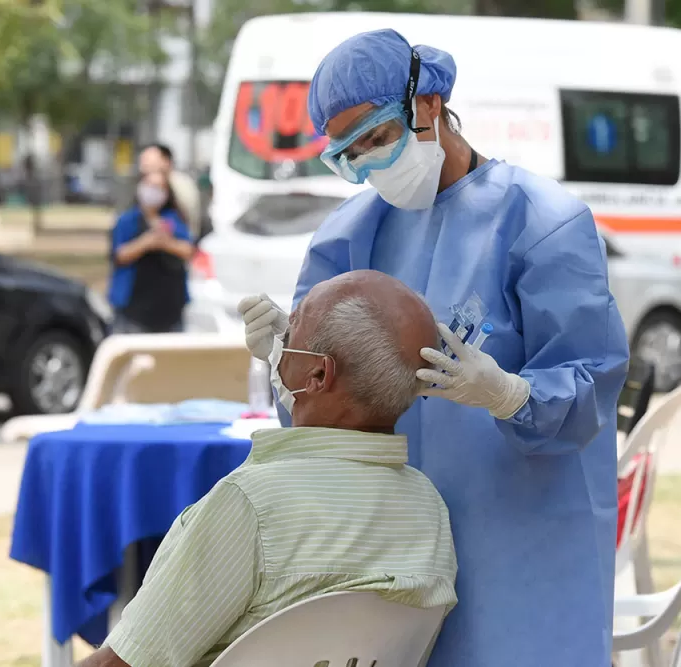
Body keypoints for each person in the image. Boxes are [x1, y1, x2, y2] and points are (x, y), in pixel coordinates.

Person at [239, 30, 630, 666]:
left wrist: (510, 394)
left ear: (429, 104)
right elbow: (318, 416)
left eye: (377, 136)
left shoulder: (541, 222)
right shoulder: (347, 240)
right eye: (349, 155)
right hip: (392, 554)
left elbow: (590, 386)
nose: (369, 163)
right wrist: (287, 363)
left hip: (523, 543)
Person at [81, 270, 458, 667]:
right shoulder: (429, 510)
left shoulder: (252, 506)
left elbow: (121, 664)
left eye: (291, 331)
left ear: (318, 374)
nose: (280, 342)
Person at [107, 170, 196, 334]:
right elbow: (119, 255)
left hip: (170, 310)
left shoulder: (174, 219)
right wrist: (146, 242)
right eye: (150, 186)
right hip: (133, 310)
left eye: (159, 187)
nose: (153, 191)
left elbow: (188, 250)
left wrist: (165, 242)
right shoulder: (127, 220)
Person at [138, 143, 203, 240]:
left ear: (166, 161)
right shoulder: (144, 184)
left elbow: (190, 219)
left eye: (148, 161)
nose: (143, 166)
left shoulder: (181, 184)